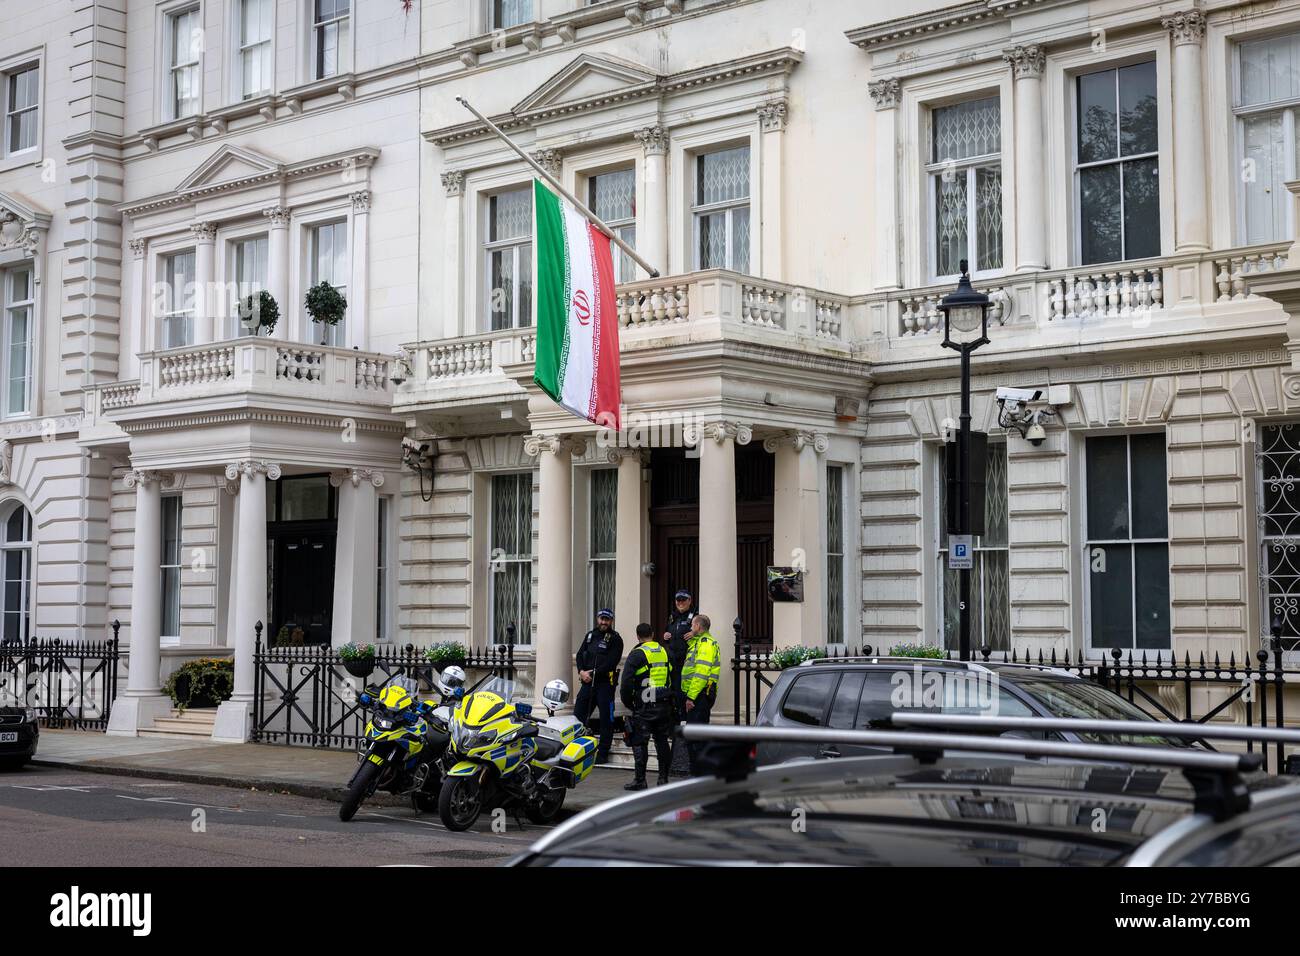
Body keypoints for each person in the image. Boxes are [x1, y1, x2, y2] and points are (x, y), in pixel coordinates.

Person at [619, 623, 673, 791]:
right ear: (653, 633)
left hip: (644, 704)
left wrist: (630, 704)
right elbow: (671, 673)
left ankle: (640, 780)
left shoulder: (636, 655)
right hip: (663, 703)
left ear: (638, 636)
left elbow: (626, 683)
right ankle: (663, 779)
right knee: (662, 740)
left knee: (639, 741)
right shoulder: (664, 651)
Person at [573, 608, 623, 763]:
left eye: (607, 620)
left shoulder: (615, 639)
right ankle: (576, 749)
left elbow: (611, 662)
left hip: (605, 685)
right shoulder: (590, 635)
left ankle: (603, 753)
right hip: (587, 683)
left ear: (611, 621)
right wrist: (581, 671)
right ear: (597, 618)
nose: (603, 622)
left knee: (606, 720)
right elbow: (580, 654)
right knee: (578, 716)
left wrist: (592, 674)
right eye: (601, 619)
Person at [678, 613, 721, 775]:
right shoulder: (699, 643)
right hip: (698, 695)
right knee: (696, 735)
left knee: (696, 737)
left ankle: (698, 774)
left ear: (697, 626)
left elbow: (701, 673)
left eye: (692, 625)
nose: (690, 628)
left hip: (699, 696)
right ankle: (698, 772)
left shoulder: (705, 644)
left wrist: (691, 697)